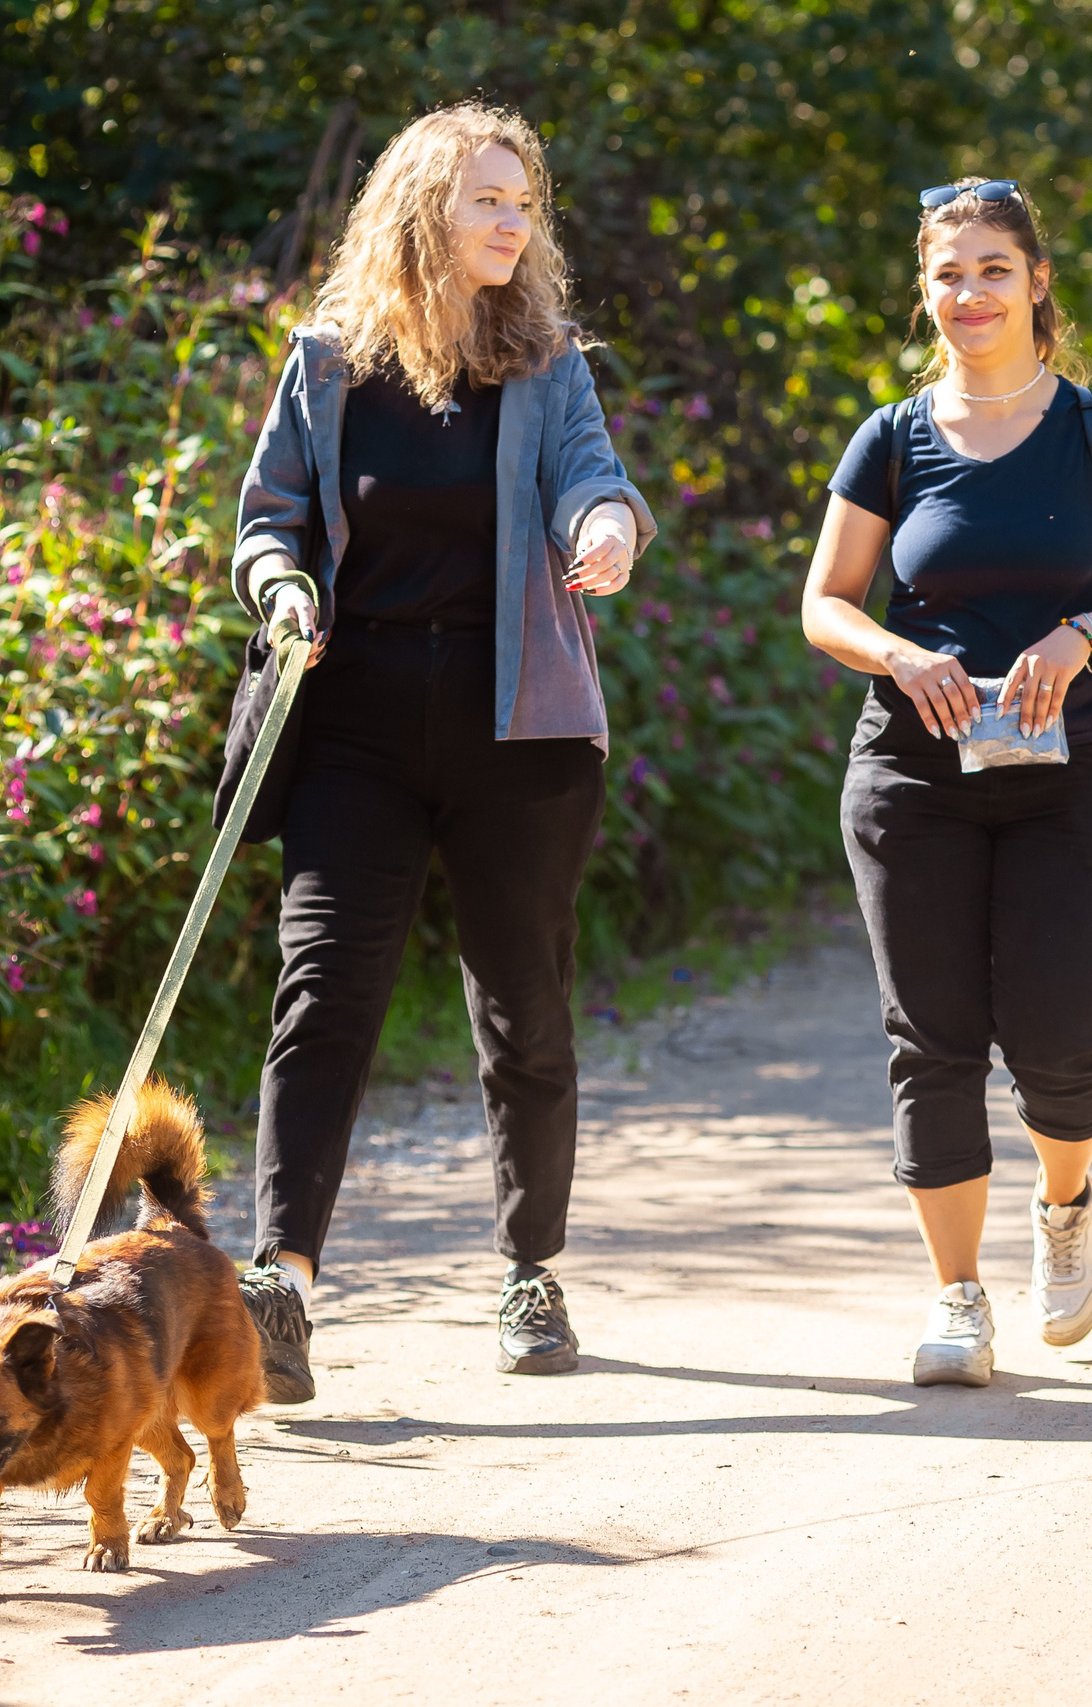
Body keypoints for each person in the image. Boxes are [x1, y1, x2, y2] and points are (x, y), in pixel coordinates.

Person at [229, 104, 655, 1399]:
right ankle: (282, 1281)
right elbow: (268, 524)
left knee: (521, 1005)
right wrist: (284, 589)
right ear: (424, 209)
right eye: (488, 200)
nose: (514, 222)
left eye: (523, 203)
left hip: (513, 726)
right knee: (323, 992)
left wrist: (608, 531)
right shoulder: (327, 363)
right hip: (353, 719)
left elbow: (596, 478)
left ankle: (531, 1267)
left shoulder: (546, 361)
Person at [800, 177, 1092, 1387]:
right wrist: (900, 650)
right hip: (910, 778)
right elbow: (826, 603)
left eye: (991, 269)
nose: (967, 293)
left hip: (1061, 780)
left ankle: (1066, 1204)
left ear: (1036, 283)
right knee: (930, 1040)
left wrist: (1081, 634)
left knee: (1055, 1040)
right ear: (924, 295)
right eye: (946, 274)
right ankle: (956, 1298)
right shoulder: (890, 437)